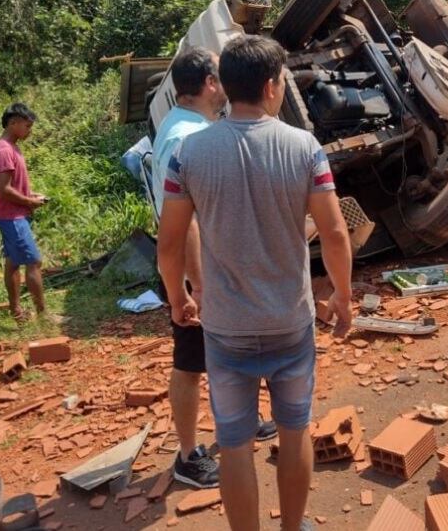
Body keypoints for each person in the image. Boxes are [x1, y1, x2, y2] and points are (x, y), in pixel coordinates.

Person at [158, 35, 353, 531]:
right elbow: (333, 233)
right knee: (294, 432)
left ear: (226, 86)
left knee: (235, 444)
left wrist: (179, 297)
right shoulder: (303, 146)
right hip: (290, 322)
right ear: (271, 86)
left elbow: (170, 244)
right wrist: (343, 297)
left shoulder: (190, 154)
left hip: (225, 329)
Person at [151, 46, 276, 490]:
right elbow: (179, 222)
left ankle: (244, 419)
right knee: (189, 362)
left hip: (211, 267)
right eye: (220, 79)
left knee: (235, 347)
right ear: (209, 84)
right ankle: (188, 456)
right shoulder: (187, 138)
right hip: (198, 271)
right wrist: (195, 285)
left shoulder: (179, 126)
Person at [0, 103, 49, 322]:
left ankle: (16, 311)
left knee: (13, 261)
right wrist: (29, 202)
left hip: (13, 213)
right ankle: (43, 315)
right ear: (13, 122)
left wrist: (31, 195)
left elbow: (11, 185)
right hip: (11, 216)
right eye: (27, 125)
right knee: (33, 262)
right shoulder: (4, 150)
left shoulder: (11, 147)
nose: (30, 130)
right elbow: (4, 190)